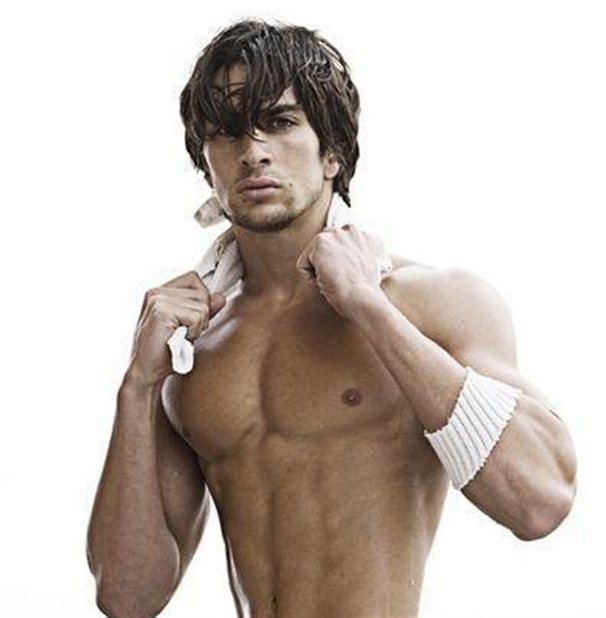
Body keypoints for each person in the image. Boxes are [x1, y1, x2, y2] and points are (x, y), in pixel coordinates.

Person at [86, 19, 578, 618]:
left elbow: (540, 501)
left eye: (279, 122)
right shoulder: (191, 348)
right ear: (206, 164)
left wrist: (368, 307)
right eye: (227, 132)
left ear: (333, 154)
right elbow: (127, 598)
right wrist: (138, 385)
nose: (252, 152)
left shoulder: (429, 301)